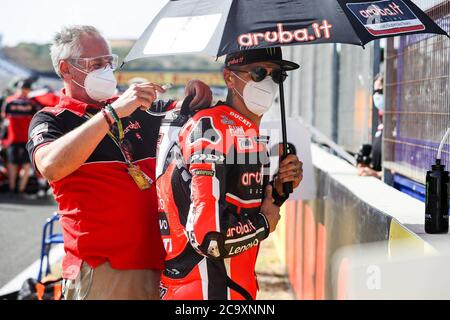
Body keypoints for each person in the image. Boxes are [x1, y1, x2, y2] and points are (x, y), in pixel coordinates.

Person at [26, 25, 212, 300]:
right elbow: (50, 166)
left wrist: (198, 97)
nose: (106, 70)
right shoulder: (52, 119)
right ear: (66, 69)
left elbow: (196, 116)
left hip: (166, 262)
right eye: (96, 63)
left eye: (109, 61)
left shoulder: (138, 107)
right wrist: (111, 114)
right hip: (106, 269)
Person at [157, 47, 303, 300]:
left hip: (235, 287)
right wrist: (263, 225)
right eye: (258, 73)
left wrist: (276, 191)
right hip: (204, 290)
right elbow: (208, 238)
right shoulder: (212, 127)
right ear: (229, 78)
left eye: (277, 75)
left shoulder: (244, 131)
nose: (268, 82)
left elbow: (238, 208)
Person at [1, 79, 39, 195]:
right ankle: (21, 189)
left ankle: (12, 188)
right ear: (28, 90)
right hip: (27, 138)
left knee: (12, 163)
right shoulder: (32, 103)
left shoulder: (9, 101)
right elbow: (35, 119)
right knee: (26, 165)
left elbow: (4, 116)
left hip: (12, 138)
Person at [357, 73, 384, 179]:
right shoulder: (381, 122)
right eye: (375, 92)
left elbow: (399, 171)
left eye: (380, 91)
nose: (377, 96)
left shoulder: (398, 126)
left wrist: (376, 174)